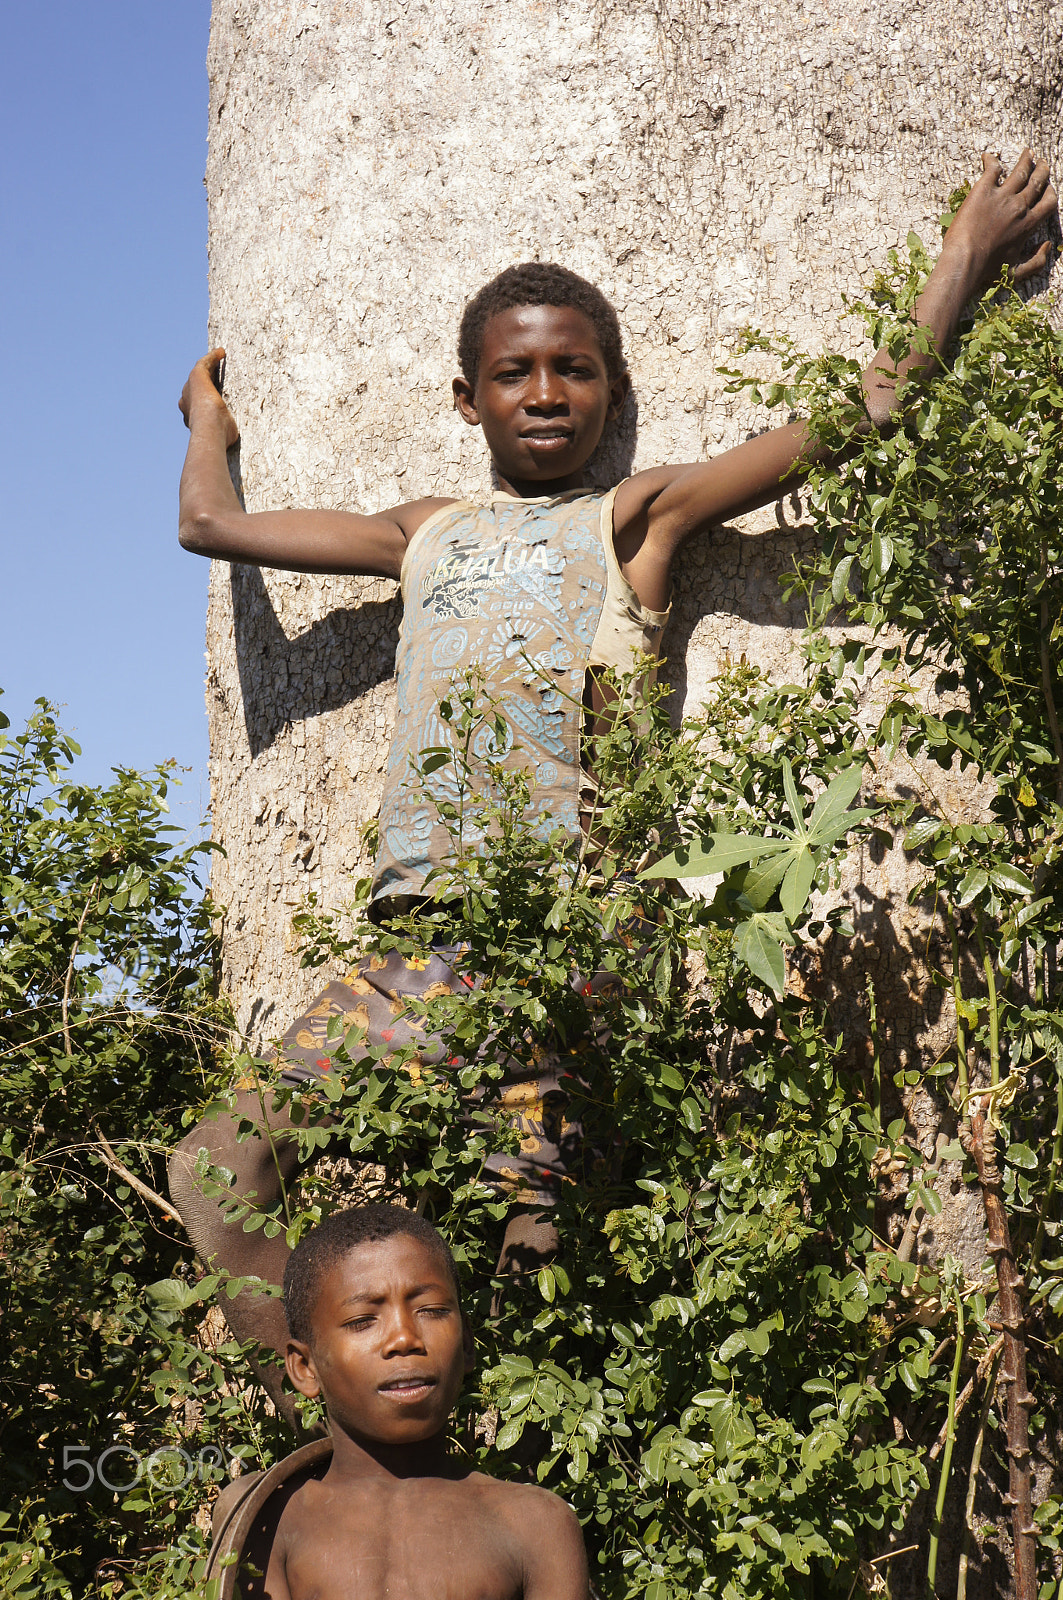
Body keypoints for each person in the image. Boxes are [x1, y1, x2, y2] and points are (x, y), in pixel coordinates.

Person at [169, 151, 1055, 1424]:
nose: (545, 393)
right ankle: (321, 1434)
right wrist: (211, 430)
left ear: (612, 390)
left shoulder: (635, 520)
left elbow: (865, 411)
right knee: (213, 1165)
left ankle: (520, 1492)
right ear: (464, 398)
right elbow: (211, 530)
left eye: (573, 369)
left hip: (569, 948)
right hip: (413, 957)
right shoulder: (422, 534)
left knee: (539, 1277)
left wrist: (964, 249)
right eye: (514, 373)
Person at [251, 1204, 588, 1599]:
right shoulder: (267, 1516)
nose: (405, 1339)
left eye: (431, 1311)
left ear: (466, 1345)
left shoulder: (534, 1523)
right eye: (362, 1321)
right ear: (306, 1368)